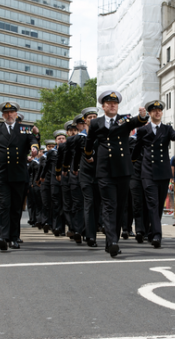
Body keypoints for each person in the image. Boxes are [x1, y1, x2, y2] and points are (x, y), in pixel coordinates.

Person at [83, 90, 148, 257]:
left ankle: (111, 241)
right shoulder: (96, 123)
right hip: (104, 170)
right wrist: (89, 156)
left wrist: (142, 116)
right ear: (103, 106)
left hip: (123, 170)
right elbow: (89, 142)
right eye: (109, 103)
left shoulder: (124, 119)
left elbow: (137, 122)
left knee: (120, 207)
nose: (112, 105)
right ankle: (112, 242)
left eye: (115, 103)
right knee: (109, 206)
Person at [0, 101, 40, 250]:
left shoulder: (24, 129)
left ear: (16, 114)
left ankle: (14, 237)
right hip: (2, 174)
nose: (9, 115)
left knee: (16, 207)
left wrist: (34, 148)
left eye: (12, 112)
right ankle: (3, 237)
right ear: (3, 115)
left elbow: (33, 140)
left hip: (18, 174)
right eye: (6, 113)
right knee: (3, 206)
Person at [134, 100, 175, 247]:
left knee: (158, 205)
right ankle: (157, 235)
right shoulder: (143, 130)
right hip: (148, 171)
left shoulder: (167, 129)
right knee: (152, 203)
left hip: (163, 171)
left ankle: (151, 231)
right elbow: (137, 150)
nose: (157, 112)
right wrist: (131, 165)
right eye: (154, 110)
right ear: (149, 113)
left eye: (159, 110)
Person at [72, 107, 102, 247]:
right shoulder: (80, 137)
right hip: (85, 174)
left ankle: (88, 230)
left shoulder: (102, 135)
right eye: (89, 117)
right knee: (89, 203)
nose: (92, 119)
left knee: (97, 205)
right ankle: (90, 237)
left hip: (100, 174)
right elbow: (76, 155)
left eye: (95, 116)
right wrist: (74, 169)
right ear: (85, 120)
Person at [62, 115, 86, 243]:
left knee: (88, 204)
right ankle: (77, 229)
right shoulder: (71, 142)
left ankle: (87, 231)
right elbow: (66, 159)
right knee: (76, 204)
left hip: (88, 175)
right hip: (74, 175)